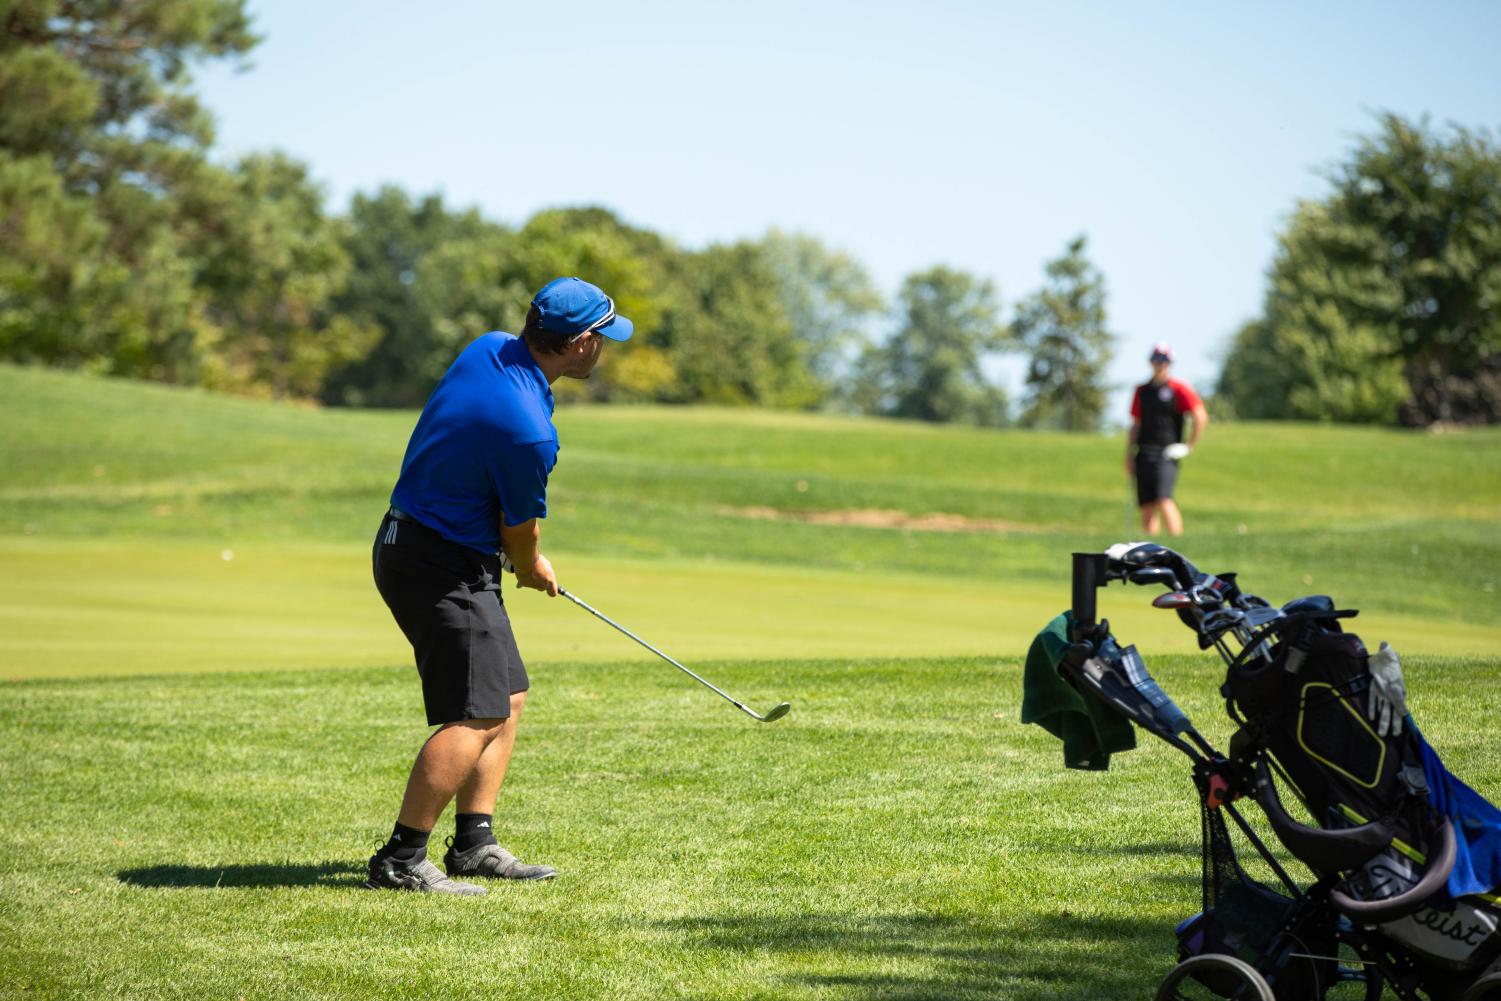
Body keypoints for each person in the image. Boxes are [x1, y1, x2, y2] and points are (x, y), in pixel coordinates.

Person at [365, 277, 633, 894]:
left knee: (507, 694)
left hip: (422, 544)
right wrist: (533, 566)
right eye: (605, 339)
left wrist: (510, 557)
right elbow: (520, 531)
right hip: (438, 562)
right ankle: (401, 859)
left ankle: (475, 844)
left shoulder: (488, 347)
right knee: (477, 710)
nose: (606, 350)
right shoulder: (529, 432)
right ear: (582, 343)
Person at [1125, 343, 1207, 537]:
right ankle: (1152, 548)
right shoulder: (1142, 391)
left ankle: (1176, 542)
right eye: (1156, 360)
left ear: (1170, 363)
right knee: (1146, 504)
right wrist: (1129, 454)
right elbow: (1136, 424)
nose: (1159, 364)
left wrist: (1189, 446)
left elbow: (1200, 416)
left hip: (1167, 453)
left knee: (1163, 498)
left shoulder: (1178, 389)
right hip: (1144, 452)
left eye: (1164, 360)